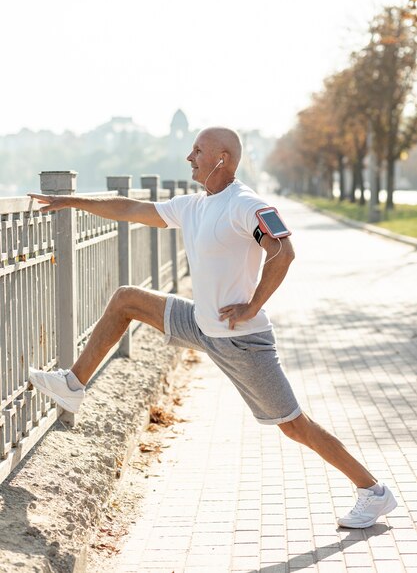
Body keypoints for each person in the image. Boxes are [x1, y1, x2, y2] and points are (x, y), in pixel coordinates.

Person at [28, 126, 397, 529]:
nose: (189, 157)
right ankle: (73, 385)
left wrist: (253, 304)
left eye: (198, 150)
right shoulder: (193, 206)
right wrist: (72, 201)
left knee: (294, 426)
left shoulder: (245, 206)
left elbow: (283, 252)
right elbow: (130, 208)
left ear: (222, 158)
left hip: (241, 341)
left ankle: (373, 492)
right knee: (126, 300)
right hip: (201, 324)